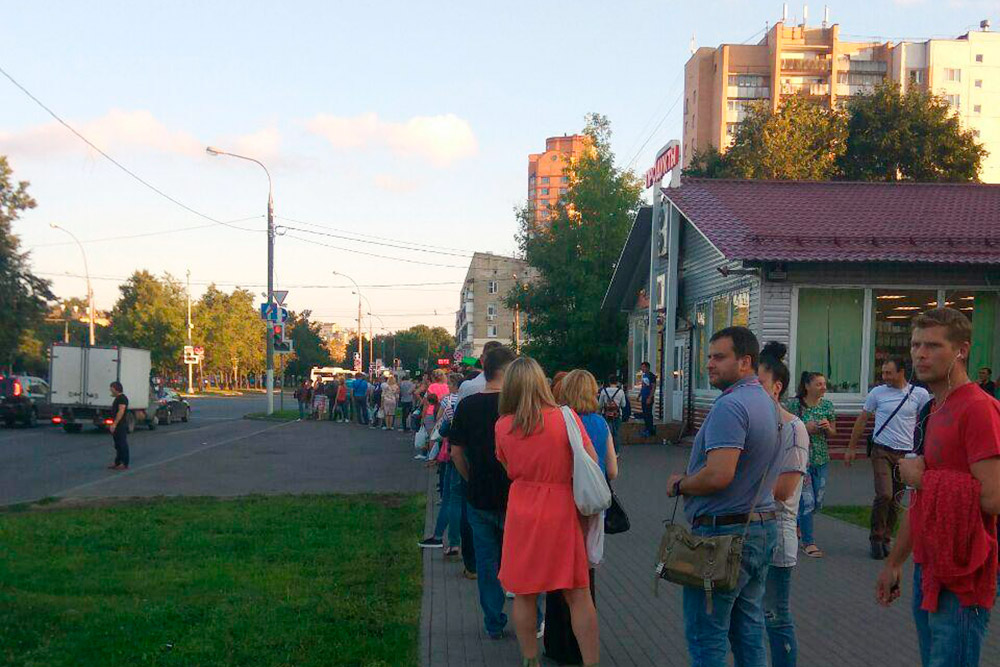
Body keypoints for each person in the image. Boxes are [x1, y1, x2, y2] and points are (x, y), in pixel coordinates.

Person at [876, 308, 1000, 667]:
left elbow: (993, 497)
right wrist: (895, 562)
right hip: (929, 567)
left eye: (932, 345)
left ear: (961, 350)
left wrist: (923, 477)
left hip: (964, 574)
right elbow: (923, 500)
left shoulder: (979, 409)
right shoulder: (932, 408)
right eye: (916, 345)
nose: (920, 354)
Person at [666, 326, 781, 667]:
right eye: (709, 357)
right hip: (758, 526)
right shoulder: (766, 402)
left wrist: (680, 484)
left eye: (719, 357)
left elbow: (719, 474)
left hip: (723, 536)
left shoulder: (730, 407)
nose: (710, 364)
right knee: (747, 631)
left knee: (706, 636)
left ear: (745, 362)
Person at [496, 358, 601, 667]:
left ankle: (531, 660)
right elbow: (591, 461)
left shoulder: (503, 426)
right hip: (562, 510)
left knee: (524, 593)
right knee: (577, 594)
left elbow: (508, 469)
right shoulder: (565, 418)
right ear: (542, 383)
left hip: (522, 511)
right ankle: (591, 661)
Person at [449, 344, 518, 640]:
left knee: (487, 564)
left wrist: (469, 478)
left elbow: (455, 451)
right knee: (522, 559)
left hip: (479, 496)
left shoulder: (468, 405)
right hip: (516, 496)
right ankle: (535, 619)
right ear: (505, 372)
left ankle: (493, 622)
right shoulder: (517, 407)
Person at [845, 358, 932, 560]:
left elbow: (927, 423)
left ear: (902, 372)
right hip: (881, 450)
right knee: (884, 493)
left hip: (906, 454)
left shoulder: (919, 394)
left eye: (888, 373)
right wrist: (851, 447)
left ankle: (886, 538)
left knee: (896, 500)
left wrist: (924, 452)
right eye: (883, 373)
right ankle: (876, 538)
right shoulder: (877, 393)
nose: (884, 377)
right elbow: (862, 419)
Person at [758, 342, 809, 667]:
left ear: (776, 387)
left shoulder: (794, 429)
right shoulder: (755, 425)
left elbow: (783, 490)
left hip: (776, 537)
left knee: (775, 616)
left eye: (758, 384)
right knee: (749, 617)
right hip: (750, 534)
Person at [785, 371, 836, 559]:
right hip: (801, 460)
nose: (823, 387)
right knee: (807, 501)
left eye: (824, 384)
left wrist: (827, 428)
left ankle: (798, 522)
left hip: (821, 459)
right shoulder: (794, 405)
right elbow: (784, 429)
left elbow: (833, 433)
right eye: (819, 384)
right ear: (807, 386)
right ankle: (808, 542)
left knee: (818, 501)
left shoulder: (827, 406)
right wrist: (805, 428)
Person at [417, 373, 465, 554]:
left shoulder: (450, 402)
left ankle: (447, 540)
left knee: (451, 498)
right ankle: (455, 541)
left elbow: (442, 428)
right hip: (472, 455)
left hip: (452, 452)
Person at [598, 374, 628, 443]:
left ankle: (607, 450)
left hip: (606, 414)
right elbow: (623, 405)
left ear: (609, 382)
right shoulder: (620, 392)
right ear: (617, 382)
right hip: (617, 414)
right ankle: (616, 452)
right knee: (616, 433)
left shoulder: (604, 391)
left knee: (606, 433)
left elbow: (599, 405)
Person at [108, 381, 130, 471]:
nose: (110, 390)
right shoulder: (118, 398)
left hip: (120, 425)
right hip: (117, 424)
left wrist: (115, 424)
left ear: (116, 389)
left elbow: (121, 411)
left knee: (122, 444)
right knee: (117, 444)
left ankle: (124, 463)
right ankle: (117, 462)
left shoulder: (122, 399)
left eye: (112, 389)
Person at [639, 361, 657, 438]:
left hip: (648, 397)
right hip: (643, 396)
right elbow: (643, 386)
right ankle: (647, 429)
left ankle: (650, 430)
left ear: (647, 367)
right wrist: (639, 395)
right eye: (641, 367)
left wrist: (650, 397)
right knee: (645, 414)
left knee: (648, 414)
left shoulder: (651, 376)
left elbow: (653, 387)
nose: (642, 369)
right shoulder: (644, 376)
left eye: (643, 367)